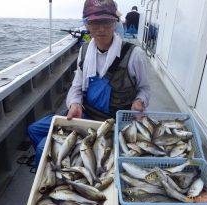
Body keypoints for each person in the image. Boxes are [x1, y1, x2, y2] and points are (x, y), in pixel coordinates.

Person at [28, 0, 150, 167]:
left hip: (113, 121)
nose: (101, 28)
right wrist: (74, 103)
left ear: (115, 22)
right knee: (33, 129)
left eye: (106, 21)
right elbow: (77, 86)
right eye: (94, 22)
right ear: (86, 24)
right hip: (85, 115)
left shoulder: (134, 54)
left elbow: (144, 88)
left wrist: (139, 102)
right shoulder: (85, 50)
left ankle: (53, 169)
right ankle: (53, 166)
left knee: (43, 147)